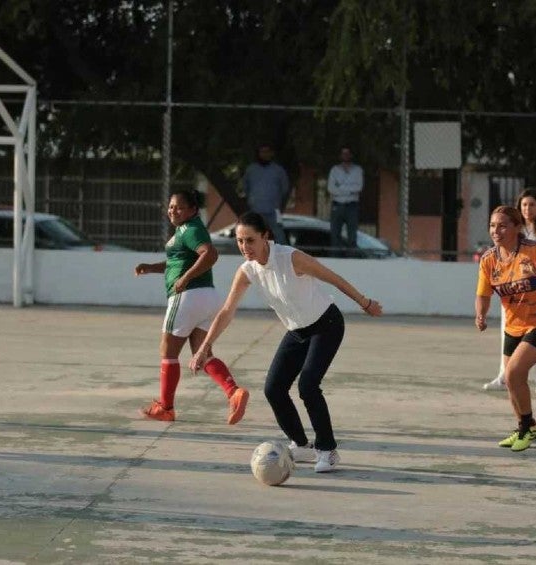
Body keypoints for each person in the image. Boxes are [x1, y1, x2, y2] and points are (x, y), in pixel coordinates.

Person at [188, 212, 383, 472]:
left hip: (327, 324)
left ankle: (328, 450)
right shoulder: (247, 271)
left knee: (308, 385)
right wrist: (205, 347)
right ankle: (301, 445)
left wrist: (365, 302)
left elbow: (333, 278)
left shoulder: (291, 258)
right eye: (239, 241)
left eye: (250, 240)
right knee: (274, 389)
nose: (244, 247)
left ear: (265, 236)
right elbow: (226, 311)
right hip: (296, 331)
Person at [134, 189, 249, 424]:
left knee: (168, 352)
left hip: (188, 297)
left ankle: (166, 407)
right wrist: (152, 267)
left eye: (178, 207)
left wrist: (185, 279)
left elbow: (210, 254)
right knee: (203, 353)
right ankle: (233, 392)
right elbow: (177, 261)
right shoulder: (186, 230)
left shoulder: (190, 229)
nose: (172, 211)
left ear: (193, 210)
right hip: (208, 297)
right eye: (170, 206)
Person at [475, 206, 536, 452]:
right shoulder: (489, 260)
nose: (495, 231)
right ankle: (522, 427)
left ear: (516, 227)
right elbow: (483, 293)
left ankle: (530, 426)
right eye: (492, 226)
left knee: (513, 373)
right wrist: (481, 313)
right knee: (512, 382)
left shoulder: (532, 251)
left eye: (502, 225)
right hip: (513, 326)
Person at [484, 189, 536, 393]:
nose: (527, 209)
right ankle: (503, 375)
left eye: (532, 204)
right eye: (524, 205)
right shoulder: (511, 229)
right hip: (512, 294)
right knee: (507, 335)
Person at [242, 144, 290, 244]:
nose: (265, 154)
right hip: (255, 210)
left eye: (267, 152)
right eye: (262, 152)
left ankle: (283, 255)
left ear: (271, 154)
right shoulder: (251, 170)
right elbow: (245, 188)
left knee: (279, 235)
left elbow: (285, 189)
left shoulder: (278, 170)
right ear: (258, 154)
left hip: (273, 210)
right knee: (255, 234)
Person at [326, 146, 363, 255]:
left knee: (352, 235)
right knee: (335, 234)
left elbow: (358, 187)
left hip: (352, 206)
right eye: (343, 153)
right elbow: (331, 188)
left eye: (347, 153)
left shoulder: (358, 170)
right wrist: (349, 190)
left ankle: (351, 258)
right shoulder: (335, 170)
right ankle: (336, 258)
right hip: (337, 205)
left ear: (351, 155)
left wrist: (340, 187)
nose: (345, 156)